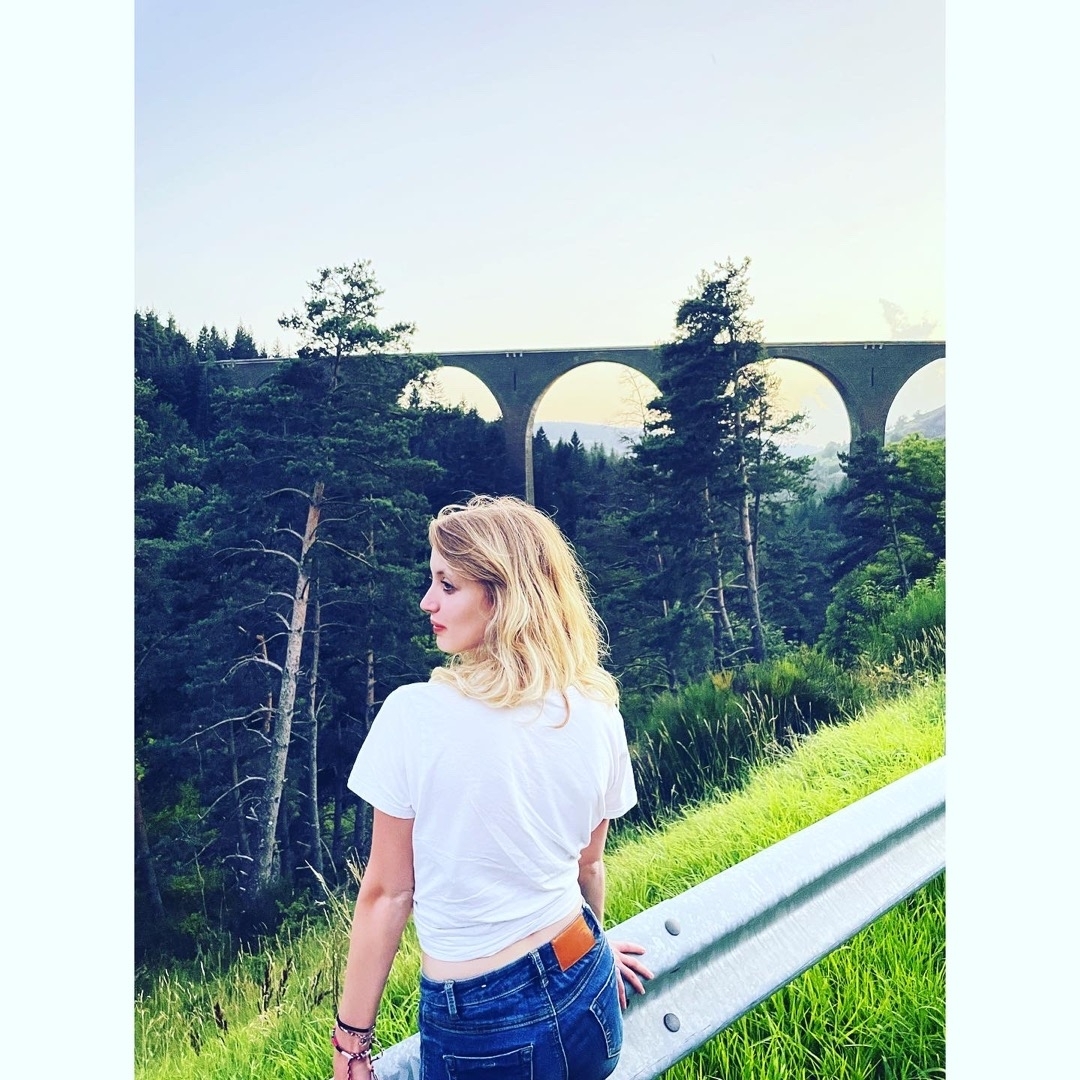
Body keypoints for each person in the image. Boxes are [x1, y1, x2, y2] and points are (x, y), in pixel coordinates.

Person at [331, 495, 652, 1080]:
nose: (427, 601)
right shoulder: (596, 708)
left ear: (503, 597)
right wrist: (593, 944)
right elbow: (588, 867)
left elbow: (388, 896)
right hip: (588, 988)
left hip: (480, 1027)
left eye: (447, 585)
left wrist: (351, 1044)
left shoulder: (413, 715)